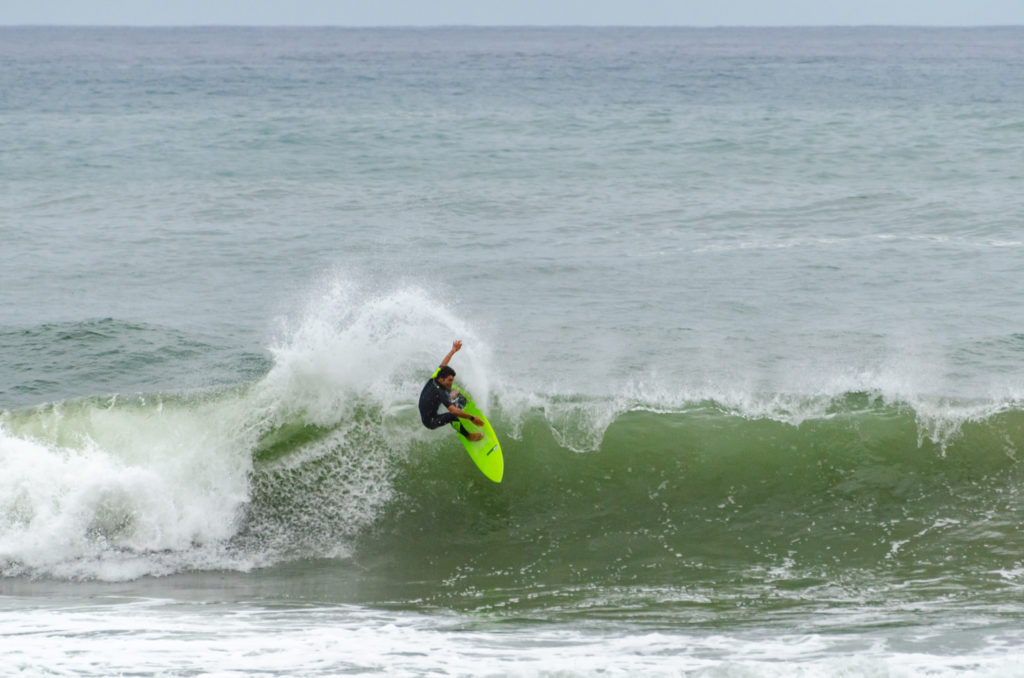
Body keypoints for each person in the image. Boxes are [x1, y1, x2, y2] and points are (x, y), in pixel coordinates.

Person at [419, 340, 484, 442]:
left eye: (452, 380)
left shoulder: (436, 377)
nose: (451, 383)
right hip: (430, 421)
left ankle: (460, 411)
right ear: (441, 379)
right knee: (452, 416)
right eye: (449, 380)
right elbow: (452, 411)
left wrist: (453, 350)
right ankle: (468, 436)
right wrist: (472, 418)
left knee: (458, 395)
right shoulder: (440, 392)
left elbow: (444, 363)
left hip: (430, 403)